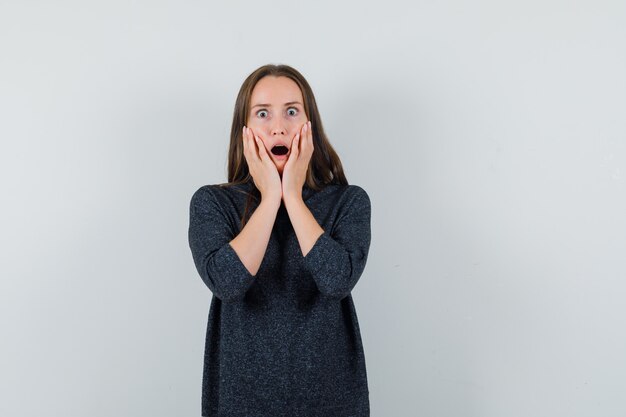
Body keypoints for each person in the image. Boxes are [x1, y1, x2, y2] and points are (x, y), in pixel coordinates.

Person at [188, 64, 372, 417]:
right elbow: (227, 282)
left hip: (332, 402)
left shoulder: (349, 202)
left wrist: (293, 195)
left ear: (309, 124)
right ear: (244, 130)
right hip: (241, 403)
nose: (278, 126)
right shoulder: (212, 203)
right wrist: (271, 197)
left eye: (292, 111)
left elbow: (337, 280)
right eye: (262, 113)